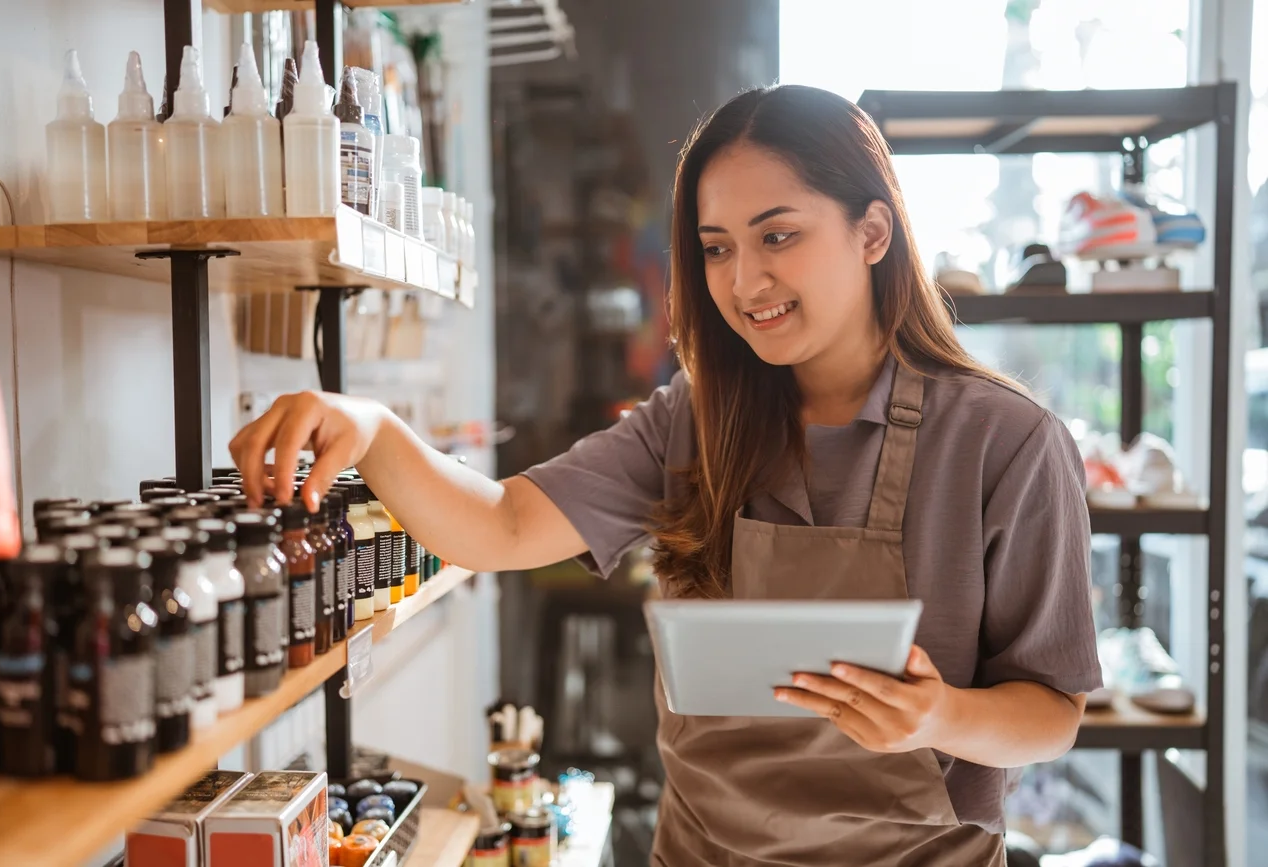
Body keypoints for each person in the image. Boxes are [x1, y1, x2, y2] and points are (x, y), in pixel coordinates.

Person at [230, 84, 1101, 866]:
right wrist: (375, 428)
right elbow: (497, 526)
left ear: (873, 231)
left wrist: (939, 714)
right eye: (716, 247)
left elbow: (1051, 711)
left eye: (779, 236)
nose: (743, 279)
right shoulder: (696, 417)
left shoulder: (1007, 442)